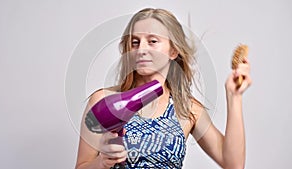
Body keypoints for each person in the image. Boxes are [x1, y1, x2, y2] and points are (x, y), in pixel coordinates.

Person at [75, 8, 252, 169]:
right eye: (135, 42)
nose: (141, 49)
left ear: (173, 51)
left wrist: (234, 97)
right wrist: (101, 163)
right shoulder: (103, 101)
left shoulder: (187, 109)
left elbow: (234, 165)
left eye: (152, 41)